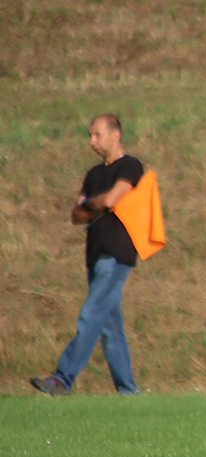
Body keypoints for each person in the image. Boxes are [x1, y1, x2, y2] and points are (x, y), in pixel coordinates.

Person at [31, 115, 143, 396]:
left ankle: (62, 378)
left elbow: (111, 199)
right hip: (93, 256)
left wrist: (92, 203)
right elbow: (76, 215)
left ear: (115, 135)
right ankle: (128, 391)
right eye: (90, 135)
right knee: (110, 326)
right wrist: (97, 204)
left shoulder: (130, 166)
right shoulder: (93, 174)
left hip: (116, 254)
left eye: (97, 135)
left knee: (90, 314)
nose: (92, 141)